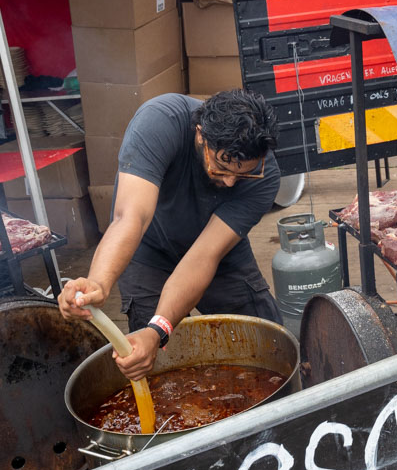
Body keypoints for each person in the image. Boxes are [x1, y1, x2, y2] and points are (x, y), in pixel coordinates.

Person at [58, 90, 282, 381]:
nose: (229, 183)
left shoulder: (265, 177)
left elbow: (203, 256)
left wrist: (159, 328)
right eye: (222, 167)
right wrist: (98, 283)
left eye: (242, 174)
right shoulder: (161, 122)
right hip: (146, 248)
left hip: (220, 254)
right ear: (201, 135)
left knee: (266, 346)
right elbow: (131, 218)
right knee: (152, 359)